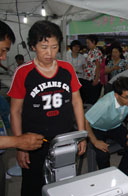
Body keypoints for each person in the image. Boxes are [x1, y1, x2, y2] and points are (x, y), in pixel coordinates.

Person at [8, 20, 86, 196]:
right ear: (33, 46)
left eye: (54, 47)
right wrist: (20, 146)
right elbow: (15, 111)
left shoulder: (67, 69)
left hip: (64, 137)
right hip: (34, 140)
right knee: (33, 185)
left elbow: (76, 102)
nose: (49, 53)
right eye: (44, 47)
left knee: (64, 183)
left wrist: (81, 135)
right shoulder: (23, 72)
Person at [0, 20, 45, 196]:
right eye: (2, 50)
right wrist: (18, 142)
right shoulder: (22, 73)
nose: (4, 57)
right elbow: (15, 110)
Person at [85, 77, 128, 177]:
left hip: (115, 126)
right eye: (127, 97)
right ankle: (107, 180)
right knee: (102, 154)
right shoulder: (105, 103)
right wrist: (95, 141)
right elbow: (85, 121)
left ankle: (122, 177)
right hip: (96, 128)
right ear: (116, 95)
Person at [81, 34, 102, 104]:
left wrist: (96, 79)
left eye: (88, 43)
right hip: (87, 77)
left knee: (92, 99)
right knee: (88, 97)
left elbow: (98, 66)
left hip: (93, 78)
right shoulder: (90, 51)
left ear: (93, 42)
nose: (87, 44)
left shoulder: (97, 52)